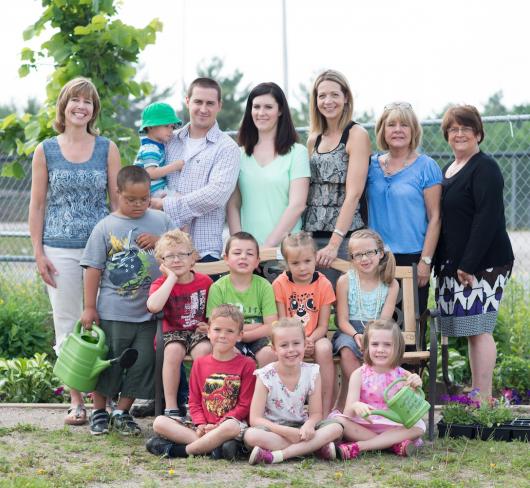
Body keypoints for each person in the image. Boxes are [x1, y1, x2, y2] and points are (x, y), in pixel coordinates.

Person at [28, 76, 120, 426]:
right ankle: (77, 400)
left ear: (93, 110)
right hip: (59, 250)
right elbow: (37, 207)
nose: (81, 106)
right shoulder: (46, 150)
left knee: (105, 321)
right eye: (75, 100)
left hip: (101, 250)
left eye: (88, 102)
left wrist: (119, 247)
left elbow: (116, 201)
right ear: (63, 106)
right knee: (67, 324)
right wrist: (38, 253)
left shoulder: (107, 147)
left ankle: (104, 401)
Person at [80, 166, 173, 436]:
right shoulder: (106, 226)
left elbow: (179, 250)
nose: (137, 204)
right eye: (131, 199)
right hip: (114, 312)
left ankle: (122, 411)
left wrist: (159, 242)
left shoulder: (160, 221)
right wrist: (89, 306)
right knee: (108, 361)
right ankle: (99, 411)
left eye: (143, 199)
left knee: (142, 362)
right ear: (118, 193)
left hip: (149, 313)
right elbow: (92, 268)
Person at [434, 105, 514, 400]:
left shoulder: (485, 167)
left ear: (478, 133)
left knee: (479, 328)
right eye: (453, 129)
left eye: (466, 128)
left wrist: (468, 264)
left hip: (484, 263)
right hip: (457, 265)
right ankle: (478, 394)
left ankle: (484, 397)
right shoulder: (448, 170)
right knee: (471, 329)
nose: (459, 134)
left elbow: (487, 218)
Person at [146, 304, 256, 460]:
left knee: (231, 427)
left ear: (240, 335)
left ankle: (180, 451)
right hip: (202, 426)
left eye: (230, 331)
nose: (223, 335)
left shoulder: (247, 364)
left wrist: (219, 425)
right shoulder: (200, 363)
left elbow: (244, 405)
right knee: (159, 422)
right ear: (209, 332)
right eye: (217, 330)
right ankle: (214, 448)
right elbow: (194, 401)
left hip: (231, 425)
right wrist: (200, 424)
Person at [150, 77, 240, 262]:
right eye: (198, 102)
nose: (203, 109)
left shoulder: (227, 148)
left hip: (204, 250)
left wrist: (165, 204)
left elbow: (217, 194)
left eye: (210, 103)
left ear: (219, 105)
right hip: (163, 249)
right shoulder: (168, 141)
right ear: (188, 101)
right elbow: (145, 172)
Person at [367, 102, 442, 314]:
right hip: (376, 259)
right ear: (383, 130)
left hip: (412, 258)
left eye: (404, 125)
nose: (398, 129)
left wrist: (425, 261)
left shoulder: (427, 166)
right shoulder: (371, 165)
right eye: (391, 124)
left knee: (410, 329)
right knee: (378, 329)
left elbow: (435, 217)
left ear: (413, 131)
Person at [303, 69, 371, 284]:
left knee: (348, 305)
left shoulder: (356, 134)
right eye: (322, 96)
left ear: (345, 98)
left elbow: (354, 194)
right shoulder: (313, 140)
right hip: (313, 234)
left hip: (345, 236)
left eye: (334, 95)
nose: (328, 101)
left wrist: (334, 244)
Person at [244, 318, 343, 464]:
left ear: (305, 345)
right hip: (274, 430)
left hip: (302, 428)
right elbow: (255, 419)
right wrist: (286, 432)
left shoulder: (312, 372)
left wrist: (308, 425)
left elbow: (316, 414)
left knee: (336, 428)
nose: (291, 349)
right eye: (284, 345)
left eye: (296, 343)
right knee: (250, 436)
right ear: (274, 349)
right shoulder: (265, 375)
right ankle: (315, 448)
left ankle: (278, 455)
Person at [227, 82, 310, 246]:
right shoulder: (238, 155)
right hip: (248, 257)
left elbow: (297, 205)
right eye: (256, 106)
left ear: (280, 110)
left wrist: (265, 249)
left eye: (268, 107)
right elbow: (233, 205)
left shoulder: (297, 153)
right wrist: (240, 247)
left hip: (287, 252)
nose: (261, 113)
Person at [331, 319, 425, 459]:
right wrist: (356, 405)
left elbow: (413, 408)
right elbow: (348, 412)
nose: (380, 349)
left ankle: (361, 446)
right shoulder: (359, 374)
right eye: (375, 344)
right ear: (366, 347)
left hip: (392, 424)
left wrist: (416, 384)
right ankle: (393, 444)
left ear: (397, 348)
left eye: (387, 345)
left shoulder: (402, 374)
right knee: (340, 421)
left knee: (419, 426)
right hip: (365, 425)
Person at [147, 229, 213, 419]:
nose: (176, 260)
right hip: (172, 333)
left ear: (193, 258)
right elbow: (153, 306)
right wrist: (172, 278)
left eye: (182, 254)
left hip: (198, 331)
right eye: (170, 256)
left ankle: (197, 404)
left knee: (204, 351)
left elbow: (214, 310)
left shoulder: (205, 281)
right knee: (173, 351)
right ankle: (172, 406)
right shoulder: (161, 283)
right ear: (162, 263)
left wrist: (210, 326)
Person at [332, 229, 399, 412]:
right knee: (347, 350)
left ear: (380, 253)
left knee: (382, 349)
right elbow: (342, 320)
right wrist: (356, 335)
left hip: (379, 331)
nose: (364, 258)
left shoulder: (390, 283)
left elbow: (385, 320)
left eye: (369, 252)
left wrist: (370, 338)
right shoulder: (345, 281)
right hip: (349, 331)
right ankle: (361, 398)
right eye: (358, 255)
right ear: (352, 259)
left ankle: (378, 400)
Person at [272, 231, 336, 416]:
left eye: (307, 261)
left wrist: (309, 340)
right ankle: (283, 410)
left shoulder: (323, 284)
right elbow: (282, 323)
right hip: (288, 338)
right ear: (286, 263)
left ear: (315, 258)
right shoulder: (280, 284)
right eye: (295, 263)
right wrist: (298, 342)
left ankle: (325, 411)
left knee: (324, 348)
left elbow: (323, 326)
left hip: (315, 338)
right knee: (273, 352)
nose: (302, 268)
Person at [206, 232, 277, 366]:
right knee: (228, 351)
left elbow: (271, 326)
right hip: (228, 338)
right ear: (226, 258)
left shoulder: (264, 286)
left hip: (258, 337)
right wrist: (255, 326)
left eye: (249, 254)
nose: (243, 257)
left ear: (257, 261)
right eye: (237, 253)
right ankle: (232, 387)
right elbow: (216, 325)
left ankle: (262, 387)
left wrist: (242, 334)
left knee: (269, 353)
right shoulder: (218, 288)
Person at [133, 102, 184, 197]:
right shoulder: (150, 148)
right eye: (166, 126)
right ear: (150, 126)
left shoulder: (158, 145)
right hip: (150, 192)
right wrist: (175, 166)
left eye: (172, 127)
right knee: (180, 199)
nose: (171, 130)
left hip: (157, 189)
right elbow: (151, 173)